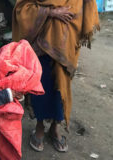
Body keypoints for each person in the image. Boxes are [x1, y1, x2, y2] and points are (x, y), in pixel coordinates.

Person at [12, 0, 100, 152]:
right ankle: (39, 127)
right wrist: (50, 12)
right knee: (40, 86)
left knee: (61, 87)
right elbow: (22, 8)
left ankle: (55, 127)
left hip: (66, 40)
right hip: (40, 44)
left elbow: (84, 5)